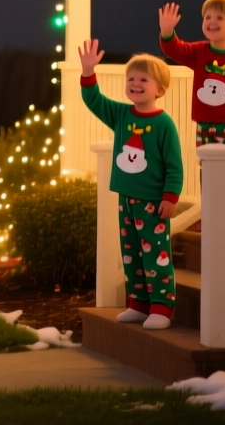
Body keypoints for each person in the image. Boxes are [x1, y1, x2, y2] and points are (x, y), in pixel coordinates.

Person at [78, 40, 184, 330]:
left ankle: (162, 306)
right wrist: (88, 71)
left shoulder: (164, 124)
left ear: (159, 90)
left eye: (143, 80)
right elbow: (94, 100)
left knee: (156, 256)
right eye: (131, 79)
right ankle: (138, 303)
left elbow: (174, 164)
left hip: (153, 202)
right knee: (131, 253)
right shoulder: (122, 115)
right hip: (126, 198)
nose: (135, 84)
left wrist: (171, 196)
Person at [158, 0, 225, 234]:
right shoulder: (199, 52)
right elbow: (174, 49)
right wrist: (167, 31)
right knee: (207, 174)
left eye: (219, 18)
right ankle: (212, 216)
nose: (211, 21)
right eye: (207, 17)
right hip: (205, 127)